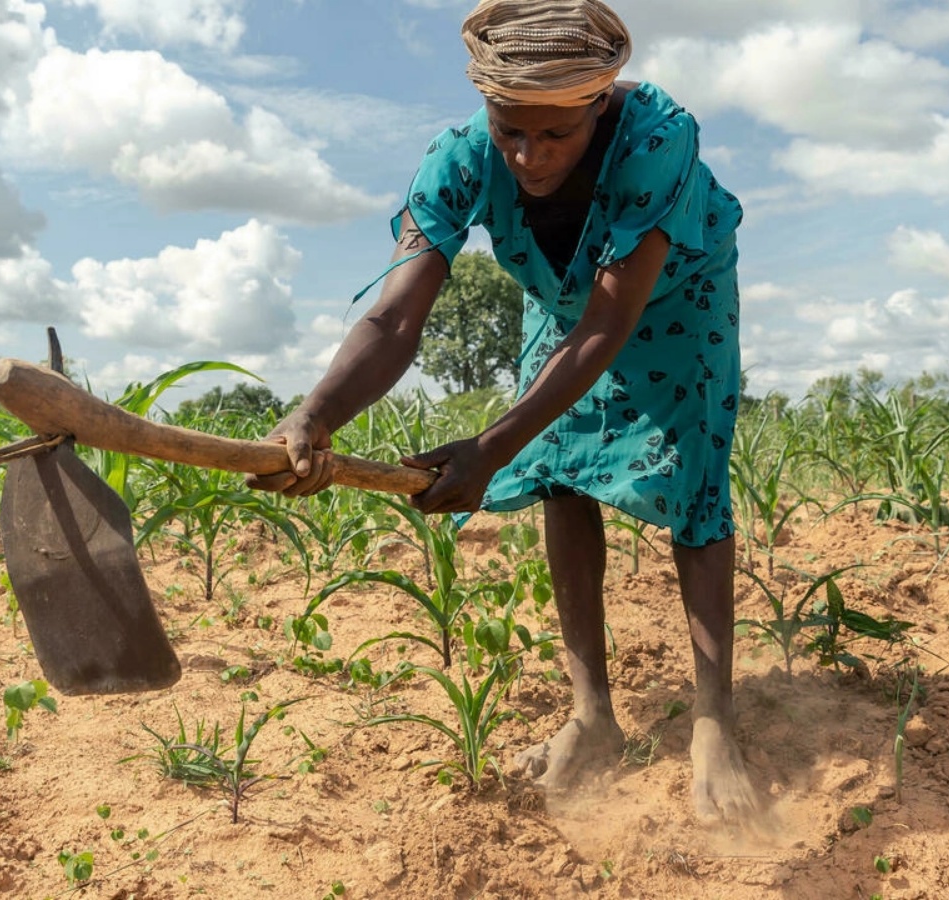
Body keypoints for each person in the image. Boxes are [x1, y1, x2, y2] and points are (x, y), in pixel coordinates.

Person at [247, 0, 752, 822]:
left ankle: (713, 722)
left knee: (693, 478)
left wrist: (489, 445)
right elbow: (394, 317)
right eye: (510, 129)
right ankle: (592, 715)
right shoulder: (456, 161)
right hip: (561, 301)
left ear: (599, 99)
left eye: (555, 134)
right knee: (558, 474)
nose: (528, 155)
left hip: (672, 296)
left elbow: (608, 324)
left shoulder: (658, 139)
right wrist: (316, 415)